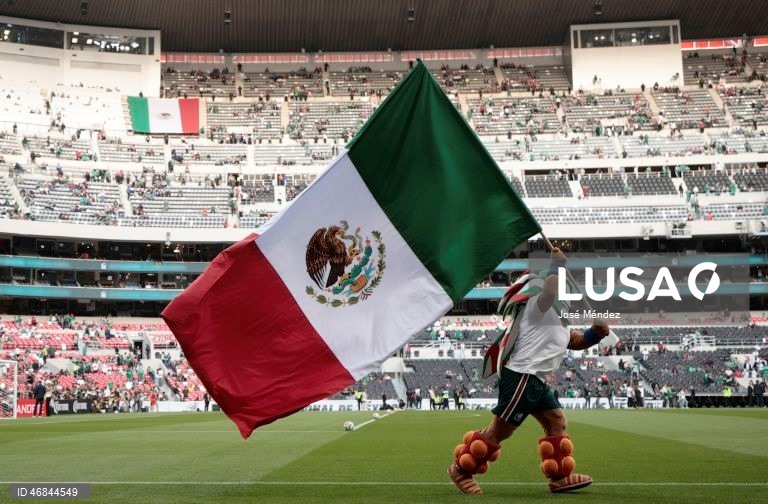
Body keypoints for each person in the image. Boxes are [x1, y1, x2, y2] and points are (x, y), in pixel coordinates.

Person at [447, 248, 611, 494]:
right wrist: (557, 265)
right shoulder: (536, 306)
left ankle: (559, 478)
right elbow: (549, 293)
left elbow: (574, 341)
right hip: (522, 376)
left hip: (536, 380)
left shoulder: (558, 320)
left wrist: (595, 334)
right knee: (499, 430)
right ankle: (461, 470)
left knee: (556, 421)